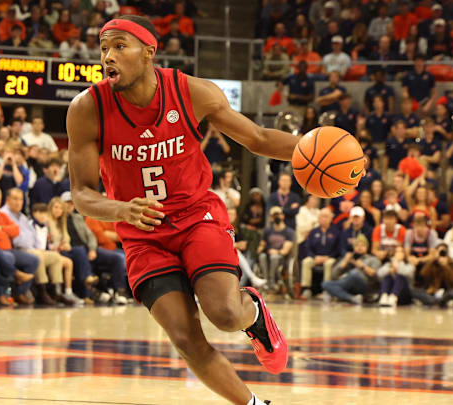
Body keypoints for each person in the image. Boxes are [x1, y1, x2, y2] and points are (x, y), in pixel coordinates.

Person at [67, 16, 296, 404]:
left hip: (196, 217)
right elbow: (82, 193)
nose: (108, 56)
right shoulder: (87, 108)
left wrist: (313, 148)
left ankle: (252, 312)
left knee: (223, 313)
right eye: (104, 48)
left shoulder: (191, 92)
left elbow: (256, 138)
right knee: (186, 338)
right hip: (141, 233)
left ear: (149, 52)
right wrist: (122, 210)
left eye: (120, 46)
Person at [322, 234, 381, 304]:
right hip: (347, 284)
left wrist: (362, 266)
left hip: (364, 285)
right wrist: (344, 263)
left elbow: (375, 275)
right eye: (357, 246)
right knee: (325, 284)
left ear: (367, 247)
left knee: (354, 274)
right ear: (354, 247)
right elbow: (334, 275)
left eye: (362, 245)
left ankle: (337, 293)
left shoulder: (373, 259)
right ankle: (352, 298)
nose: (359, 248)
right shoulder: (349, 258)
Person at [300, 208, 340, 299]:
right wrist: (314, 257)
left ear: (331, 218)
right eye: (322, 216)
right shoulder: (313, 232)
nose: (324, 219)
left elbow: (338, 249)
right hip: (315, 257)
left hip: (330, 257)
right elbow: (307, 247)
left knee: (329, 263)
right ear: (318, 218)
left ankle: (327, 290)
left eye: (326, 217)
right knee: (306, 262)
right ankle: (306, 289)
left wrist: (329, 257)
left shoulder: (336, 232)